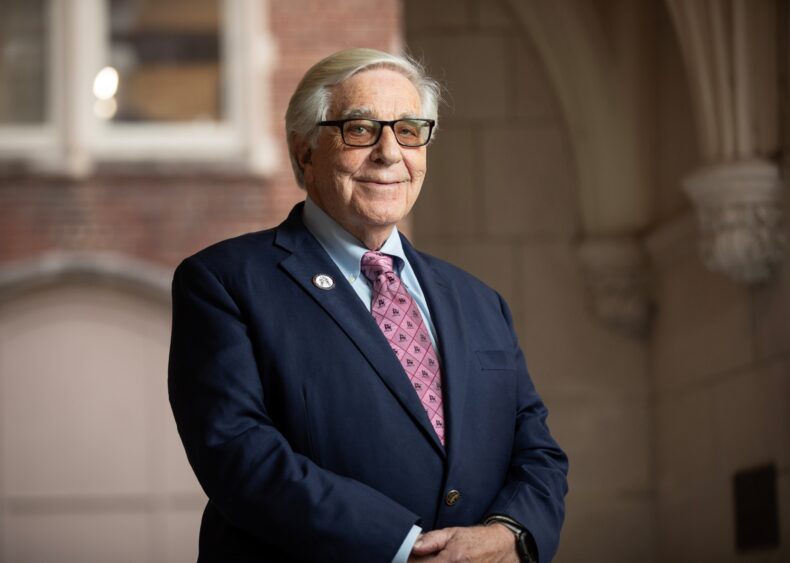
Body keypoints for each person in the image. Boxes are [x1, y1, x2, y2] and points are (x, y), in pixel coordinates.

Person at [168, 47, 568, 563]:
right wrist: (404, 547)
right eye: (360, 129)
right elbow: (238, 454)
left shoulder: (479, 301)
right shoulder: (224, 282)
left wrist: (511, 534)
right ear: (305, 150)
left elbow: (537, 450)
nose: (388, 152)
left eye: (408, 130)